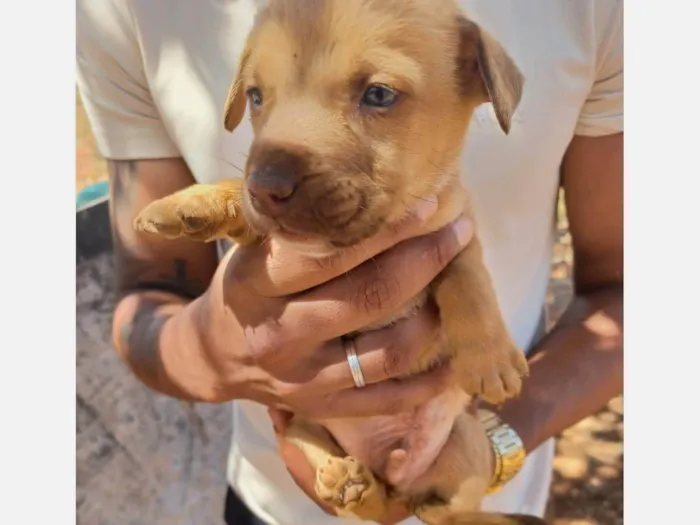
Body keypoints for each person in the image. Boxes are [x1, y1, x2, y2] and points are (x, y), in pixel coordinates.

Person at [76, 0, 623, 523]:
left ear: (479, 80)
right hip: (272, 495)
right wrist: (208, 355)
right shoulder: (127, 10)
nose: (270, 178)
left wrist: (495, 442)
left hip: (479, 461)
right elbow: (150, 286)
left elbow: (625, 288)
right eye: (258, 95)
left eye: (379, 95)